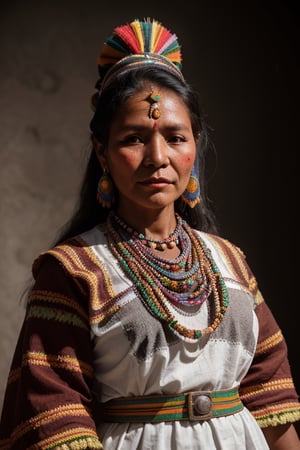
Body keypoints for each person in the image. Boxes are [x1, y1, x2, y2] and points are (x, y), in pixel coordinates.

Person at [0, 17, 299, 450]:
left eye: (175, 137)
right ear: (102, 151)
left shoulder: (229, 263)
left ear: (195, 146)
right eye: (134, 139)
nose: (157, 157)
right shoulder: (73, 271)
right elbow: (52, 417)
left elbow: (272, 401)